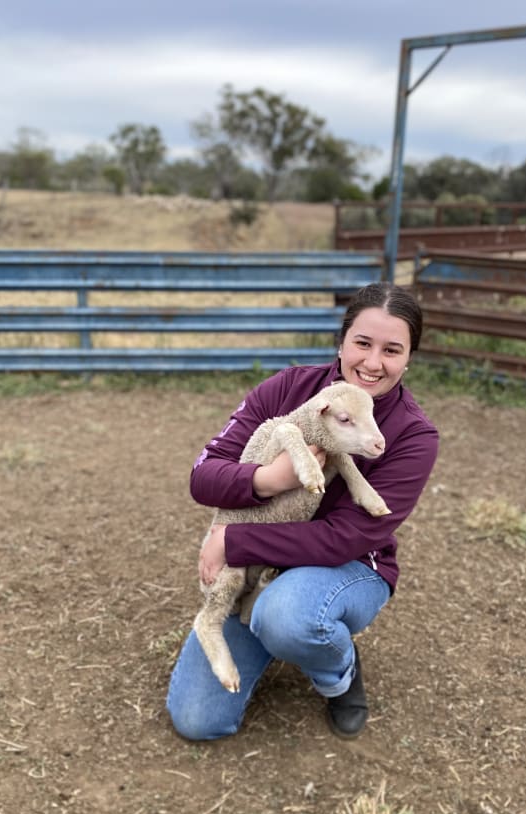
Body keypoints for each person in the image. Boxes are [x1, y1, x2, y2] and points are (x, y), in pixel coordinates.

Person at [167, 282, 438, 741]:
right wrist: (269, 480)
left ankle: (337, 672)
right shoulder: (288, 389)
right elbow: (204, 474)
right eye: (363, 343)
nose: (373, 362)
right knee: (197, 720)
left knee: (288, 616)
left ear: (409, 357)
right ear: (341, 341)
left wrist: (234, 540)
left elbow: (346, 537)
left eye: (392, 349)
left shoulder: (413, 435)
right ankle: (282, 626)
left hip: (345, 564)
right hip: (260, 562)